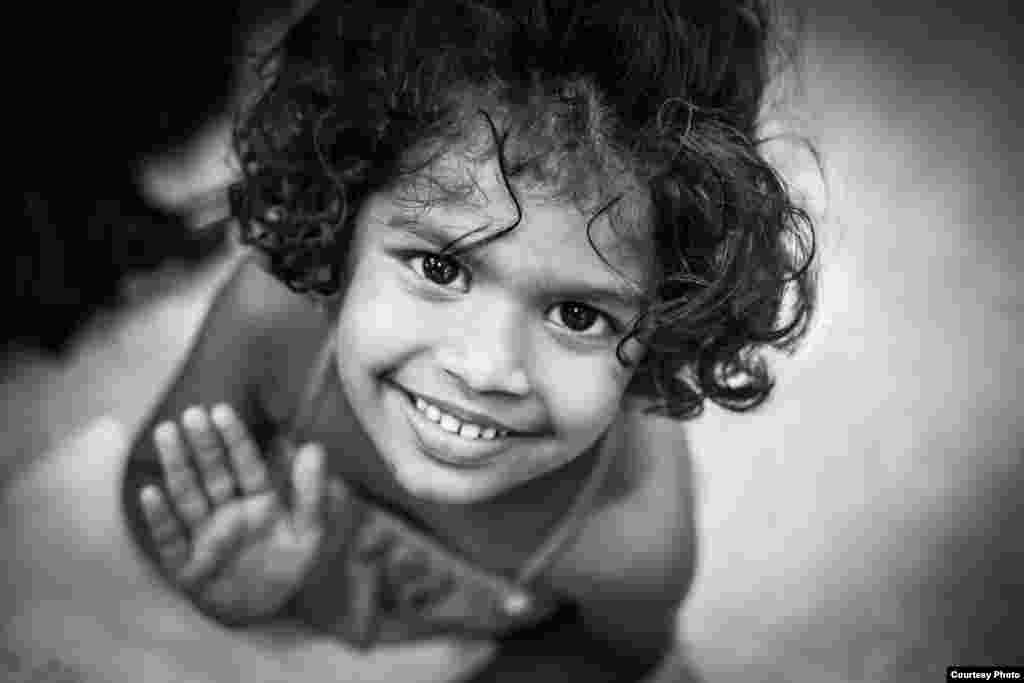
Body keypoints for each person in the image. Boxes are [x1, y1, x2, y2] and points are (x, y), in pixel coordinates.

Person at [121, 1, 816, 680]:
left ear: (668, 320)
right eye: (440, 268)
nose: (487, 368)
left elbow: (613, 656)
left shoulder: (631, 535)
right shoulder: (270, 318)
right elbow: (153, 485)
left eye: (577, 314)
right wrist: (224, 574)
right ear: (338, 219)